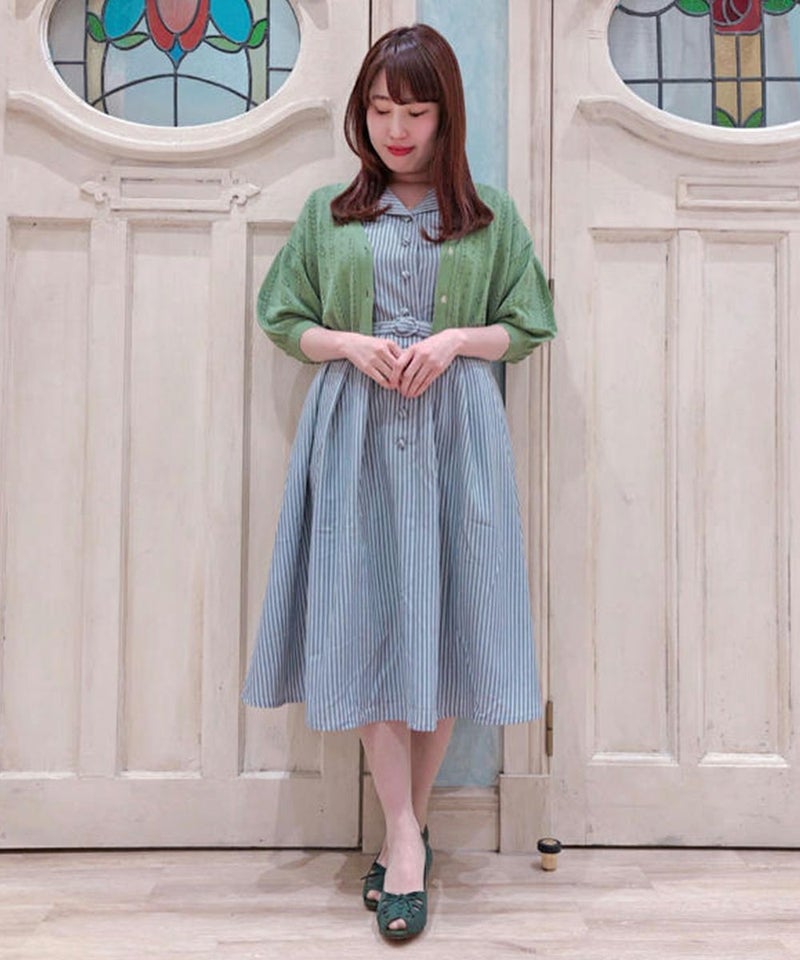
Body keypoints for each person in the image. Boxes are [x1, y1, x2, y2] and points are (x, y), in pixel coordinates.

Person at [241, 23, 556, 940]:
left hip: (458, 436)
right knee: (369, 620)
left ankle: (402, 838)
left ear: (445, 115)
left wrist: (456, 341)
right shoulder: (328, 214)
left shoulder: (489, 217)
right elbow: (282, 316)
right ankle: (408, 837)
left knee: (449, 623)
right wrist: (349, 343)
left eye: (415, 111)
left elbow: (530, 322)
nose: (397, 129)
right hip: (358, 437)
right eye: (381, 109)